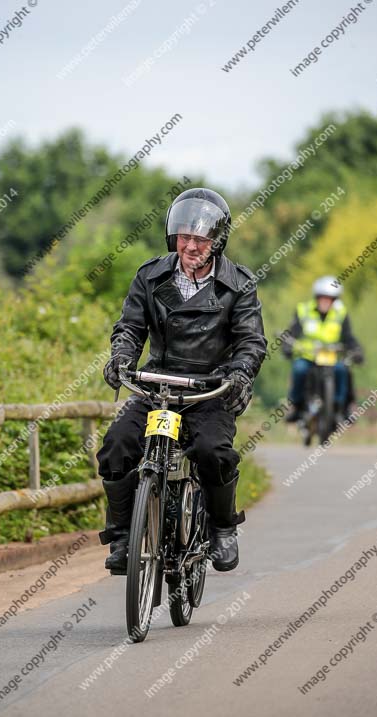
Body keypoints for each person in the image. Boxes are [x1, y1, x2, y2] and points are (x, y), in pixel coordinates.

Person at [96, 188, 267, 573]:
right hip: (157, 385)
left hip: (209, 391)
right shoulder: (150, 276)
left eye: (201, 239)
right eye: (185, 237)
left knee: (213, 452)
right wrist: (121, 357)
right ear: (174, 237)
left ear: (217, 242)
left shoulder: (238, 284)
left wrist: (239, 374)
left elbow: (251, 340)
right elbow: (129, 326)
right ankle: (122, 537)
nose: (191, 246)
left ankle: (223, 528)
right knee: (117, 444)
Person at [282, 276, 364, 422]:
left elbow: (348, 337)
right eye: (323, 298)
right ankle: (296, 406)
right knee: (299, 369)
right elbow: (292, 332)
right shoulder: (303, 310)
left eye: (330, 299)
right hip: (308, 356)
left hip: (331, 357)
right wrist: (287, 345)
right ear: (317, 297)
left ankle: (342, 407)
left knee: (343, 370)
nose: (326, 302)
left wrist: (357, 350)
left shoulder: (341, 314)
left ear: (335, 300)